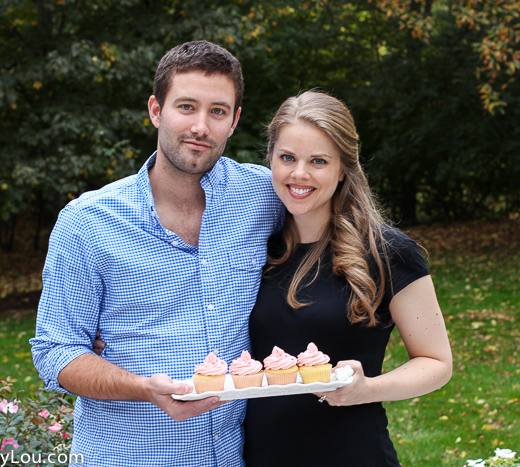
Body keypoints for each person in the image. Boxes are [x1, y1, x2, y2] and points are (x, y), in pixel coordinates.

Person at [30, 41, 283, 467]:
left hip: (233, 454)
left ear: (234, 121)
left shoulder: (262, 197)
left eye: (217, 111)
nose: (201, 126)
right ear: (155, 110)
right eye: (186, 107)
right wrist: (143, 386)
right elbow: (55, 351)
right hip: (126, 456)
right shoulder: (88, 222)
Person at [243, 91, 453, 466]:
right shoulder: (253, 247)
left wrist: (368, 388)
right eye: (287, 157)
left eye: (318, 161)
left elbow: (437, 362)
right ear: (270, 159)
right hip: (260, 456)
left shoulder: (388, 251)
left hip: (354, 454)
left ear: (343, 169)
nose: (299, 174)